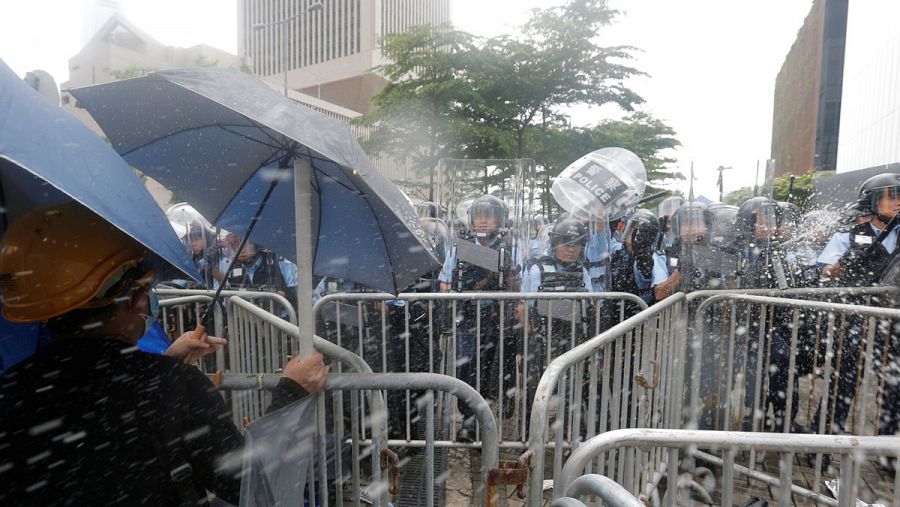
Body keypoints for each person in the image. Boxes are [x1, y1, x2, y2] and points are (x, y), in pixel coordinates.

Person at [0, 202, 329, 506]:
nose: (149, 301)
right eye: (145, 289)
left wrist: (167, 363)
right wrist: (291, 393)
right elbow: (252, 489)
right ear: (135, 300)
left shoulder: (11, 392)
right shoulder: (175, 387)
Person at [814, 173, 900, 437]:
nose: (897, 202)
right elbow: (826, 270)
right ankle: (825, 434)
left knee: (895, 384)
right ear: (872, 201)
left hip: (892, 320)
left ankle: (886, 447)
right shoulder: (847, 237)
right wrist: (838, 267)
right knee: (846, 381)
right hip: (855, 319)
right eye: (890, 196)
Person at [438, 194, 515, 442]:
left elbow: (516, 283)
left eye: (489, 216)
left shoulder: (508, 248)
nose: (483, 221)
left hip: (495, 317)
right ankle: (468, 419)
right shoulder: (460, 246)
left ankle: (481, 419)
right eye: (479, 216)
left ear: (499, 219)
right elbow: (445, 281)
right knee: (466, 369)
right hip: (467, 317)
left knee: (488, 370)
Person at [214, 233, 299, 310]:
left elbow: (298, 295)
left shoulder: (281, 263)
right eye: (235, 245)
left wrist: (280, 295)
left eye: (243, 243)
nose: (239, 249)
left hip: (282, 322)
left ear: (255, 244)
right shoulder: (235, 270)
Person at [609, 209, 660, 309]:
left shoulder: (650, 259)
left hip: (636, 314)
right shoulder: (619, 249)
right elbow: (606, 243)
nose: (635, 236)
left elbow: (646, 274)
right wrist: (610, 223)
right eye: (632, 229)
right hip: (613, 313)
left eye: (641, 233)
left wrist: (642, 254)